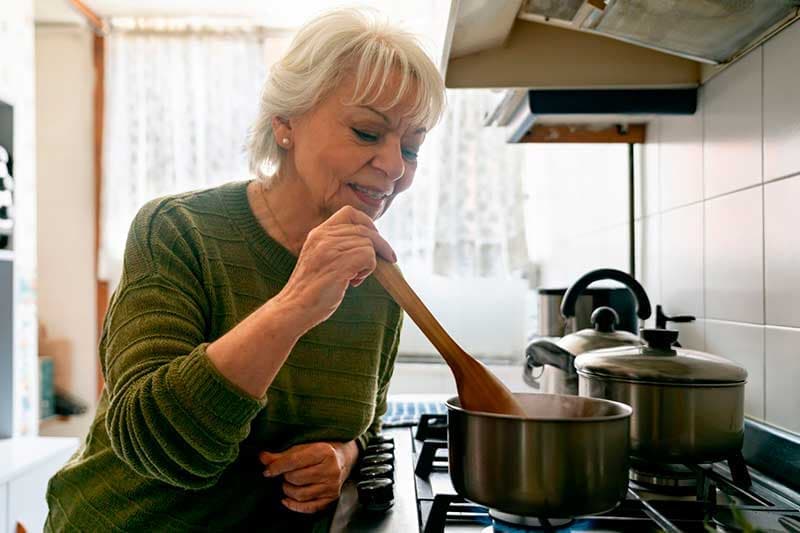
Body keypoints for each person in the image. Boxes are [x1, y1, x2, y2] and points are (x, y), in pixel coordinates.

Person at [45, 8, 445, 531]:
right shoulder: (179, 230)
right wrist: (297, 303)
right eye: (368, 132)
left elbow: (365, 422)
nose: (395, 167)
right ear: (285, 125)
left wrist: (343, 456)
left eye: (411, 147)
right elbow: (153, 440)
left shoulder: (376, 279)